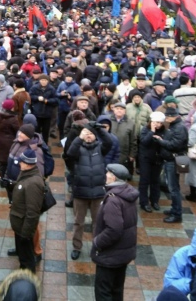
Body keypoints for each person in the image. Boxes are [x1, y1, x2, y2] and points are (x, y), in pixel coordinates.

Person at [91, 163, 138, 301]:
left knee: (103, 292)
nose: (105, 175)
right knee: (117, 290)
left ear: (113, 178)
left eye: (108, 173)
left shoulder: (113, 200)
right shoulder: (127, 193)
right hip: (122, 255)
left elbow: (114, 230)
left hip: (110, 256)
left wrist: (97, 242)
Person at [66, 123, 113, 260]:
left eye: (91, 133)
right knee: (78, 222)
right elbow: (70, 153)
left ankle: (97, 246)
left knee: (98, 223)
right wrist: (79, 138)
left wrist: (99, 129)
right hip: (80, 192)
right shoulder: (77, 148)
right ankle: (76, 247)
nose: (88, 135)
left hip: (98, 193)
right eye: (86, 133)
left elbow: (109, 141)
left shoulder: (100, 147)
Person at [10, 149, 45, 272]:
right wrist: (11, 184)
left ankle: (29, 282)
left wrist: (26, 233)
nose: (19, 163)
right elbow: (22, 186)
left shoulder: (33, 183)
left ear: (28, 163)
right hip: (19, 225)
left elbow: (33, 212)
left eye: (21, 162)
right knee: (22, 257)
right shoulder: (26, 173)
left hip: (24, 228)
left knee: (27, 259)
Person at [154, 107, 188, 223]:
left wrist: (160, 141)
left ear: (175, 116)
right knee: (174, 187)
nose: (166, 119)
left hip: (174, 160)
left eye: (168, 116)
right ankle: (174, 208)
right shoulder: (175, 126)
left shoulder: (179, 128)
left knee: (173, 188)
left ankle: (177, 214)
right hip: (174, 159)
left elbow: (175, 145)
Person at [138, 111, 166, 213]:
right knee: (144, 181)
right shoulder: (145, 129)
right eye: (156, 122)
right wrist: (152, 132)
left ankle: (154, 201)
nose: (158, 125)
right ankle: (144, 202)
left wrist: (161, 140)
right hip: (145, 158)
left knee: (155, 181)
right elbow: (144, 141)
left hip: (157, 159)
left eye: (160, 123)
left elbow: (166, 143)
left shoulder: (164, 131)